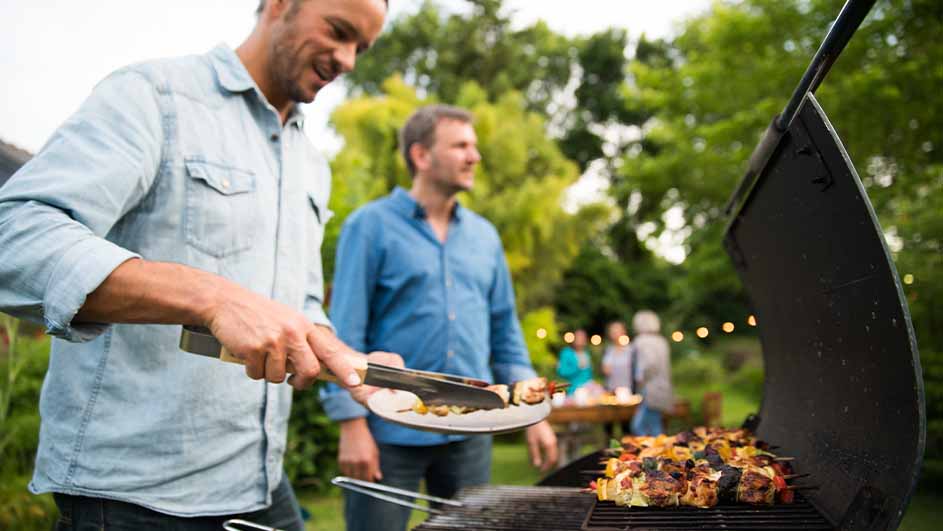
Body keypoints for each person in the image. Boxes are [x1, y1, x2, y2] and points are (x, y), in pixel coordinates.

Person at [0, 1, 399, 529]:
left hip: (257, 482)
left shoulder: (312, 164)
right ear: (279, 5)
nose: (348, 59)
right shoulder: (154, 97)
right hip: (134, 498)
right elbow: (15, 236)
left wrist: (348, 363)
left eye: (362, 48)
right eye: (339, 31)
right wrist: (211, 297)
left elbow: (294, 307)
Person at [320, 104, 559, 531]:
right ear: (421, 156)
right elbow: (345, 331)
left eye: (475, 146)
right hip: (387, 430)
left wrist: (534, 411)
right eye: (461, 145)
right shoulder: (368, 227)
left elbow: (505, 331)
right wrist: (350, 424)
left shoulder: (485, 237)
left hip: (472, 430)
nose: (475, 156)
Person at [630, 310, 674, 436]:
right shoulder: (661, 341)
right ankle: (657, 451)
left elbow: (650, 363)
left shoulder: (642, 341)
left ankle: (648, 451)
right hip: (663, 387)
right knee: (655, 423)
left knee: (638, 425)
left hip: (649, 388)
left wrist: (640, 377)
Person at [601, 320, 633, 437]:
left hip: (627, 390)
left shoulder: (631, 350)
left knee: (626, 423)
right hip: (611, 390)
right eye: (612, 331)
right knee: (608, 424)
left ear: (623, 332)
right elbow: (605, 370)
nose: (615, 333)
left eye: (617, 330)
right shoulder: (609, 350)